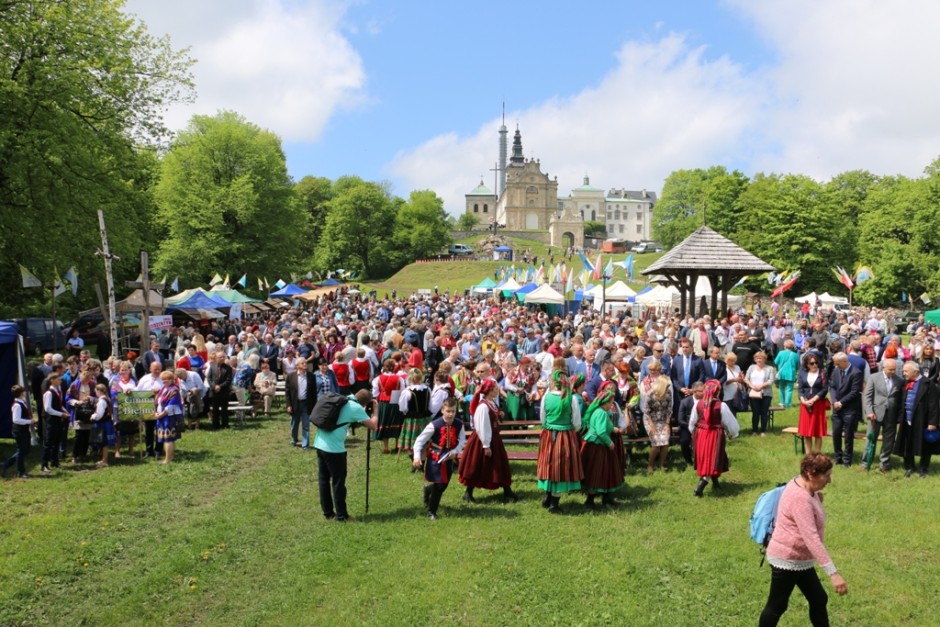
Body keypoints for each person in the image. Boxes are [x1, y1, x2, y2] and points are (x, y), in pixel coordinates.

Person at [759, 453, 848, 626]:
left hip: (800, 558)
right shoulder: (801, 498)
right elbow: (811, 538)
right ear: (810, 473)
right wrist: (834, 574)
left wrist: (817, 500)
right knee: (777, 605)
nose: (829, 481)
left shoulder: (803, 484)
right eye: (826, 476)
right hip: (788, 557)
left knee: (819, 598)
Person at [314, 389, 378, 522]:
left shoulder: (343, 399)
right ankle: (342, 515)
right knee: (338, 482)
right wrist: (375, 411)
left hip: (320, 443)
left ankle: (328, 513)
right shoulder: (356, 408)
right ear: (366, 404)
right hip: (334, 449)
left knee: (324, 480)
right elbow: (373, 426)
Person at [458, 378, 517, 503]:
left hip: (493, 438)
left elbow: (492, 416)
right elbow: (482, 426)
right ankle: (468, 493)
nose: (497, 390)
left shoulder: (490, 403)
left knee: (500, 465)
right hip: (484, 439)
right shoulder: (483, 407)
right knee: (477, 466)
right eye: (495, 388)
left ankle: (507, 491)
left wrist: (499, 414)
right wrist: (486, 445)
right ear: (490, 391)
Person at [536, 370, 583, 513]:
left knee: (548, 464)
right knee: (560, 468)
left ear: (552, 382)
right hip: (565, 436)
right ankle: (554, 504)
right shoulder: (571, 398)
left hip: (549, 434)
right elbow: (577, 423)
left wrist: (549, 426)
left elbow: (542, 419)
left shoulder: (546, 397)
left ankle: (548, 496)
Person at [412, 397, 466, 520]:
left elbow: (462, 440)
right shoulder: (434, 425)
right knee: (439, 485)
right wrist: (416, 457)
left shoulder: (459, 424)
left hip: (449, 457)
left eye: (453, 411)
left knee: (444, 484)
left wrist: (455, 451)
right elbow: (419, 441)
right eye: (448, 411)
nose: (451, 414)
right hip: (435, 458)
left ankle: (428, 490)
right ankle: (432, 512)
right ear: (442, 410)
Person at [689, 379, 739, 497]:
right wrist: (733, 433)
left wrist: (694, 433)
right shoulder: (721, 405)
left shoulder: (698, 404)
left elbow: (692, 422)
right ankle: (700, 486)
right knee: (712, 459)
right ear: (718, 392)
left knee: (711, 458)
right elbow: (730, 422)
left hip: (700, 434)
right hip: (714, 436)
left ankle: (715, 482)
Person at [580, 381, 626, 508]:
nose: (612, 404)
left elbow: (606, 426)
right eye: (611, 402)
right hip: (598, 446)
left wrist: (614, 429)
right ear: (605, 402)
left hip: (600, 446)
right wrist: (610, 443)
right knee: (596, 474)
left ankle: (607, 498)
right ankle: (590, 501)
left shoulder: (602, 411)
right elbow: (600, 431)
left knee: (608, 471)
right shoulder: (600, 412)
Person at [894, 360, 939, 478]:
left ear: (915, 371)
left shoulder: (928, 384)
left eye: (906, 371)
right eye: (903, 371)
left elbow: (934, 405)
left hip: (922, 420)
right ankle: (910, 467)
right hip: (907, 419)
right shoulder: (905, 383)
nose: (904, 373)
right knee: (907, 444)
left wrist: (933, 422)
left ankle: (924, 468)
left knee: (925, 445)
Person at [860, 359, 903, 473]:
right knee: (871, 439)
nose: (893, 371)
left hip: (891, 416)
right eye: (890, 369)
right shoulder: (874, 378)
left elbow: (900, 400)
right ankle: (866, 463)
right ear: (884, 368)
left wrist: (899, 416)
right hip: (875, 414)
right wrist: (869, 411)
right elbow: (867, 397)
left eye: (894, 369)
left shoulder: (899, 381)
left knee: (889, 440)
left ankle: (884, 464)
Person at [828, 352, 863, 467]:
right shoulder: (836, 371)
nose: (836, 366)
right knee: (836, 433)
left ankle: (847, 460)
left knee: (848, 435)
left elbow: (854, 391)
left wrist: (841, 402)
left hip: (850, 409)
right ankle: (838, 457)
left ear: (844, 362)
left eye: (837, 364)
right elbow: (832, 387)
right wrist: (834, 401)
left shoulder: (856, 373)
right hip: (837, 408)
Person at [640, 359, 673, 473]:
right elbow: (646, 411)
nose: (668, 387)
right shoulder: (650, 394)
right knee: (656, 441)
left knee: (665, 441)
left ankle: (661, 464)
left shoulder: (668, 393)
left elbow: (669, 410)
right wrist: (652, 426)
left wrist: (667, 424)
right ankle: (650, 465)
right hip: (650, 420)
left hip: (663, 419)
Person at [797, 354, 829, 455]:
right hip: (805, 404)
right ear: (807, 365)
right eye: (812, 363)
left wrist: (815, 399)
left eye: (816, 362)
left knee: (817, 432)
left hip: (818, 404)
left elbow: (825, 388)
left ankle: (817, 454)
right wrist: (803, 400)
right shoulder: (802, 373)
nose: (815, 365)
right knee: (807, 433)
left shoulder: (823, 373)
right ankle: (808, 455)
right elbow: (800, 389)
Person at [3, 385, 37, 478]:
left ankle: (5, 465)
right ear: (21, 393)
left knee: (24, 450)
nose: (26, 392)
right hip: (19, 431)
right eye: (24, 391)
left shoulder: (22, 402)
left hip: (23, 430)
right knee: (22, 451)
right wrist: (30, 421)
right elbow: (16, 419)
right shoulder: (17, 405)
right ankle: (21, 472)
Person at [285, 357, 317, 450]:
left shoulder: (311, 376)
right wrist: (289, 405)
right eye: (302, 363)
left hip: (306, 404)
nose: (305, 364)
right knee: (294, 424)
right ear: (297, 366)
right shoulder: (291, 376)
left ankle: (305, 444)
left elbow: (314, 392)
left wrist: (314, 406)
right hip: (295, 404)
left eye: (305, 363)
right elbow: (287, 393)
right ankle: (294, 439)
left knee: (306, 424)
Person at [398, 369, 431, 453]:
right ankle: (421, 462)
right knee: (424, 441)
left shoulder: (407, 392)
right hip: (426, 419)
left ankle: (414, 461)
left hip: (413, 420)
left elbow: (402, 408)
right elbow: (430, 405)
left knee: (411, 444)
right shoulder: (428, 389)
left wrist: (407, 413)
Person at [41, 372, 68, 472]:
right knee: (48, 442)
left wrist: (65, 411)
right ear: (52, 381)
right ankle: (44, 464)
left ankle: (55, 461)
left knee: (56, 441)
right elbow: (48, 408)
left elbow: (59, 405)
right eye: (58, 379)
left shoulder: (58, 391)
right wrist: (61, 414)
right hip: (51, 420)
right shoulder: (49, 393)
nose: (60, 380)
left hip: (58, 420)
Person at [154, 371, 183, 464]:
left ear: (171, 379)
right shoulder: (163, 389)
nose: (163, 381)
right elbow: (158, 402)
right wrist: (156, 413)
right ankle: (171, 456)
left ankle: (167, 459)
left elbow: (171, 406)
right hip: (161, 416)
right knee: (168, 438)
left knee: (168, 439)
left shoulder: (174, 390)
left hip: (169, 417)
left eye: (165, 379)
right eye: (162, 379)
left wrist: (161, 414)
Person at [745, 351, 776, 436]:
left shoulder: (770, 368)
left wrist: (761, 386)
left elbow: (771, 381)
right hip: (753, 393)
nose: (759, 359)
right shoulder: (751, 367)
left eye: (761, 358)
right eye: (757, 358)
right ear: (755, 359)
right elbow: (746, 379)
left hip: (766, 394)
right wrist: (752, 386)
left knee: (764, 412)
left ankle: (763, 430)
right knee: (755, 412)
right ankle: (754, 430)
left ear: (764, 359)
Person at [676, 381, 704, 466]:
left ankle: (702, 459)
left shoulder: (706, 401)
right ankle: (688, 460)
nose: (704, 393)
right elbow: (680, 420)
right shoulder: (685, 402)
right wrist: (691, 428)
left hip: (703, 427)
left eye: (704, 390)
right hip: (686, 427)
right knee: (684, 441)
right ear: (694, 392)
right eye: (701, 391)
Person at [205, 351, 233, 430]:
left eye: (223, 357)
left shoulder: (228, 368)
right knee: (215, 409)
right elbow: (209, 378)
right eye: (220, 357)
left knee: (224, 409)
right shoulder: (212, 366)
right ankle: (215, 425)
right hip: (214, 392)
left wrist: (220, 387)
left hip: (224, 392)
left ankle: (225, 424)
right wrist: (214, 386)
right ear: (216, 358)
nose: (223, 358)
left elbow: (228, 380)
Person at [90, 383, 116, 467]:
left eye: (96, 391)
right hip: (107, 422)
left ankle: (104, 460)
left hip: (102, 423)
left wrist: (93, 416)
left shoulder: (101, 401)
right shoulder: (107, 398)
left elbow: (99, 414)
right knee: (104, 442)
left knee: (104, 442)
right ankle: (103, 459)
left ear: (98, 391)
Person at [774, 339, 800, 409]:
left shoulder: (780, 353)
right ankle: (787, 404)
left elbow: (775, 362)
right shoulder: (796, 355)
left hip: (782, 373)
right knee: (789, 389)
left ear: (784, 346)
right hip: (791, 374)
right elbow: (798, 366)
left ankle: (782, 403)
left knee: (781, 388)